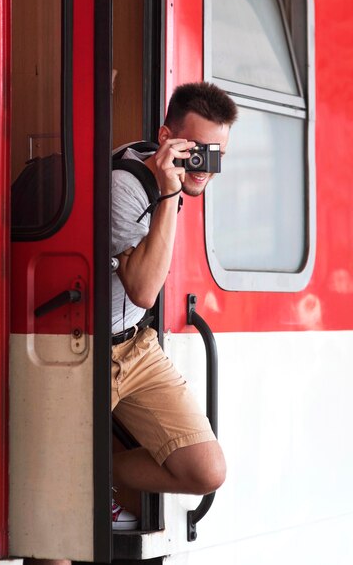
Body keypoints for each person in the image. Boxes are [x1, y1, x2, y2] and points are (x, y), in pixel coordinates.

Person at [110, 82, 238, 529]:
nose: (204, 166)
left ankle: (92, 472)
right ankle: (76, 476)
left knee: (206, 471)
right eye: (196, 151)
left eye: (216, 154)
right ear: (166, 139)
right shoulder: (127, 189)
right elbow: (144, 291)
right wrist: (167, 195)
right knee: (57, 523)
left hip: (134, 345)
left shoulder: (174, 174)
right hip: (84, 349)